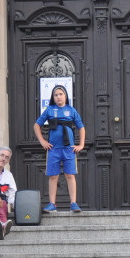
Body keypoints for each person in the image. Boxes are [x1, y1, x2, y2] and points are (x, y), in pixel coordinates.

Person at [33, 85, 85, 213]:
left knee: (70, 175)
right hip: (53, 149)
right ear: (53, 97)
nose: (58, 97)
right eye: (56, 95)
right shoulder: (49, 110)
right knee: (53, 176)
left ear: (65, 96)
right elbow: (36, 125)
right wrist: (42, 141)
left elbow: (81, 127)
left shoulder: (71, 110)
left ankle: (73, 203)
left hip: (69, 149)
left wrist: (81, 145)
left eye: (61, 94)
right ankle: (52, 204)